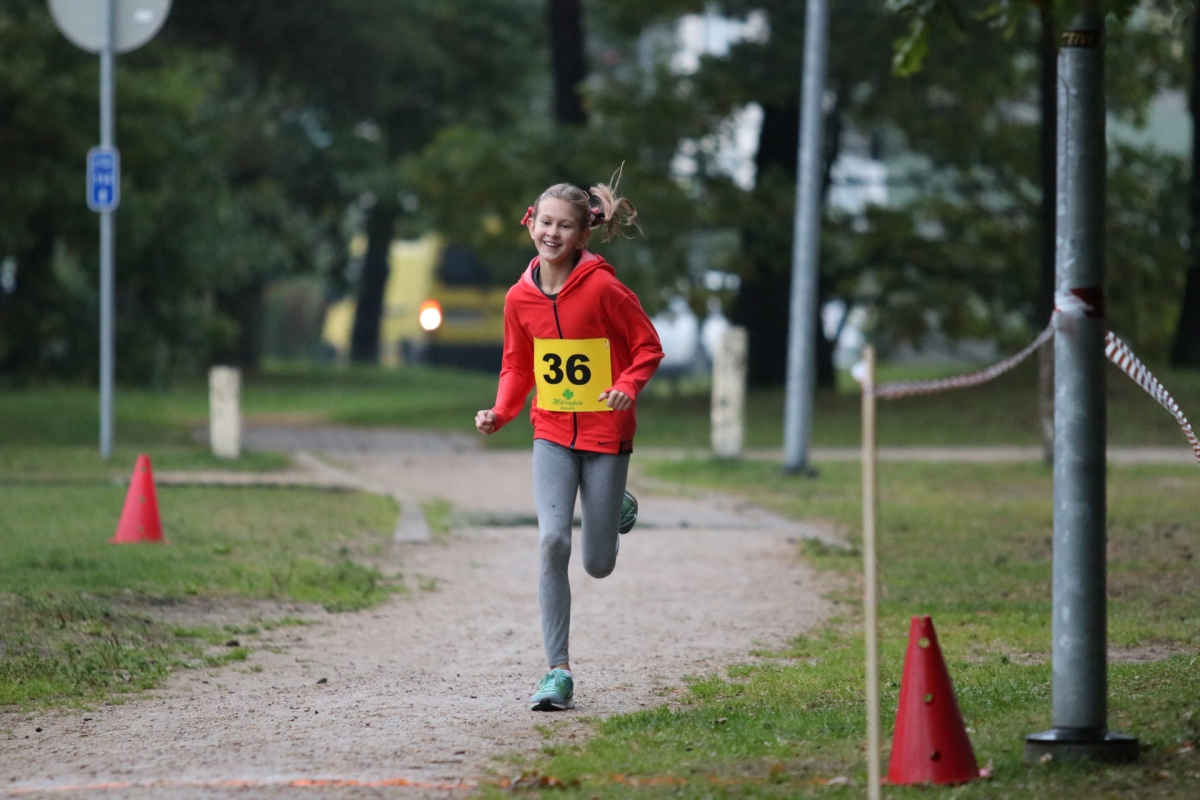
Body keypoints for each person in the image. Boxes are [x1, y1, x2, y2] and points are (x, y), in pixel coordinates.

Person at [474, 174, 664, 712]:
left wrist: (626, 386)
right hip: (552, 434)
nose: (552, 233)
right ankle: (557, 670)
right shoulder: (519, 298)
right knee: (553, 541)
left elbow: (648, 347)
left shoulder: (605, 289)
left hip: (606, 435)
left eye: (564, 226)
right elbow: (517, 366)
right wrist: (500, 412)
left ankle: (614, 505)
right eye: (545, 222)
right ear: (530, 223)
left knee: (598, 563)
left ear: (582, 235)